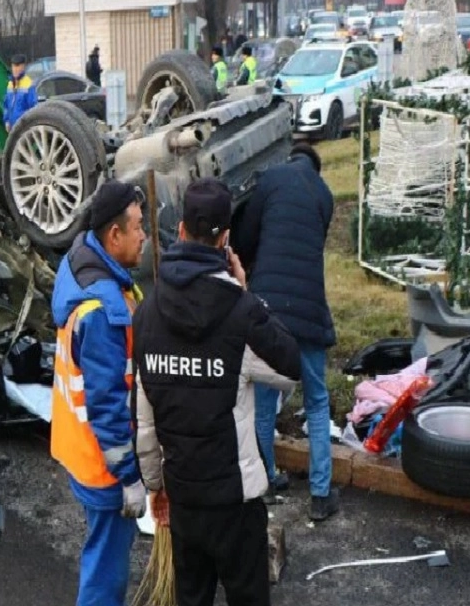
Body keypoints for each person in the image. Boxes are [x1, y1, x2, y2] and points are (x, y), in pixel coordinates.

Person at [133, 178, 300, 606]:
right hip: (236, 502)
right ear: (225, 240)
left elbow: (146, 419)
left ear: (182, 230)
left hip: (184, 497)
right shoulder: (240, 311)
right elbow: (290, 368)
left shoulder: (147, 313)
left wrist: (156, 486)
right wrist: (244, 290)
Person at [50, 180, 148, 606]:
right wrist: (129, 477)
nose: (144, 235)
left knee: (101, 555)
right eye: (139, 227)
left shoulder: (81, 264)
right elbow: (108, 406)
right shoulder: (104, 313)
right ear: (115, 235)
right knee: (105, 573)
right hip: (104, 465)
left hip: (78, 449)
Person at [232, 143, 339, 521]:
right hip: (309, 308)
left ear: (291, 158)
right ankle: (321, 495)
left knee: (262, 400)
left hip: (268, 310)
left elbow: (246, 234)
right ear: (316, 166)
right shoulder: (324, 196)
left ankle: (269, 478)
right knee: (317, 401)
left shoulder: (272, 178)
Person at [3, 54, 38, 131]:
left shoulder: (28, 84)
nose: (15, 69)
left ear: (23, 67)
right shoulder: (10, 84)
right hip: (12, 128)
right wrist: (7, 121)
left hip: (24, 127)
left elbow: (33, 108)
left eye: (18, 66)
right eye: (13, 66)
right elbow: (6, 105)